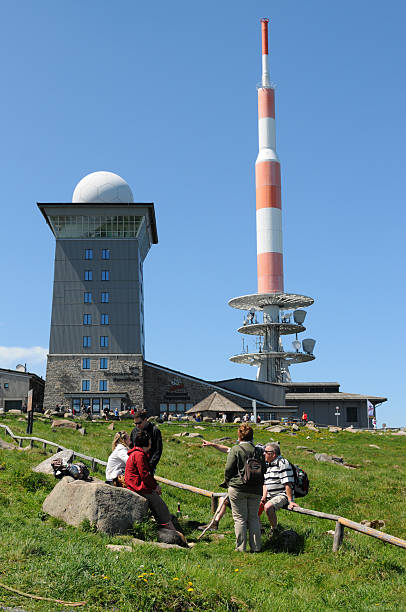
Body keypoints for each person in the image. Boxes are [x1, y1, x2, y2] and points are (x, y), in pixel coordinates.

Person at [224, 424, 264, 553]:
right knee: (253, 518)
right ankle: (256, 547)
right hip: (256, 488)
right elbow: (265, 468)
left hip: (238, 487)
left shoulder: (236, 449)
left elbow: (228, 468)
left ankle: (241, 548)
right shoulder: (259, 451)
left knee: (240, 518)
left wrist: (228, 481)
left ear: (239, 435)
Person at [125, 429, 176, 530]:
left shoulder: (135, 453)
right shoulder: (139, 455)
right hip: (137, 486)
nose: (151, 443)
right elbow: (145, 475)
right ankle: (170, 529)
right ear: (146, 442)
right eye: (150, 441)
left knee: (156, 502)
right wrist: (155, 486)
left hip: (133, 484)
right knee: (161, 506)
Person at [259, 442, 298, 532]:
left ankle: (274, 530)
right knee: (253, 504)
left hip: (281, 494)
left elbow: (287, 483)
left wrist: (290, 501)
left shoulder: (283, 463)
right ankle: (259, 530)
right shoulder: (268, 464)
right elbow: (265, 483)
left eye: (266, 452)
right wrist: (263, 497)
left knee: (268, 507)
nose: (264, 453)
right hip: (269, 495)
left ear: (273, 454)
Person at [130, 409, 163, 474]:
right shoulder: (134, 431)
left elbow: (158, 450)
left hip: (149, 465)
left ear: (145, 420)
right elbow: (131, 447)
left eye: (139, 423)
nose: (137, 426)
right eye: (135, 423)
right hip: (135, 464)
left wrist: (150, 465)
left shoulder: (154, 431)